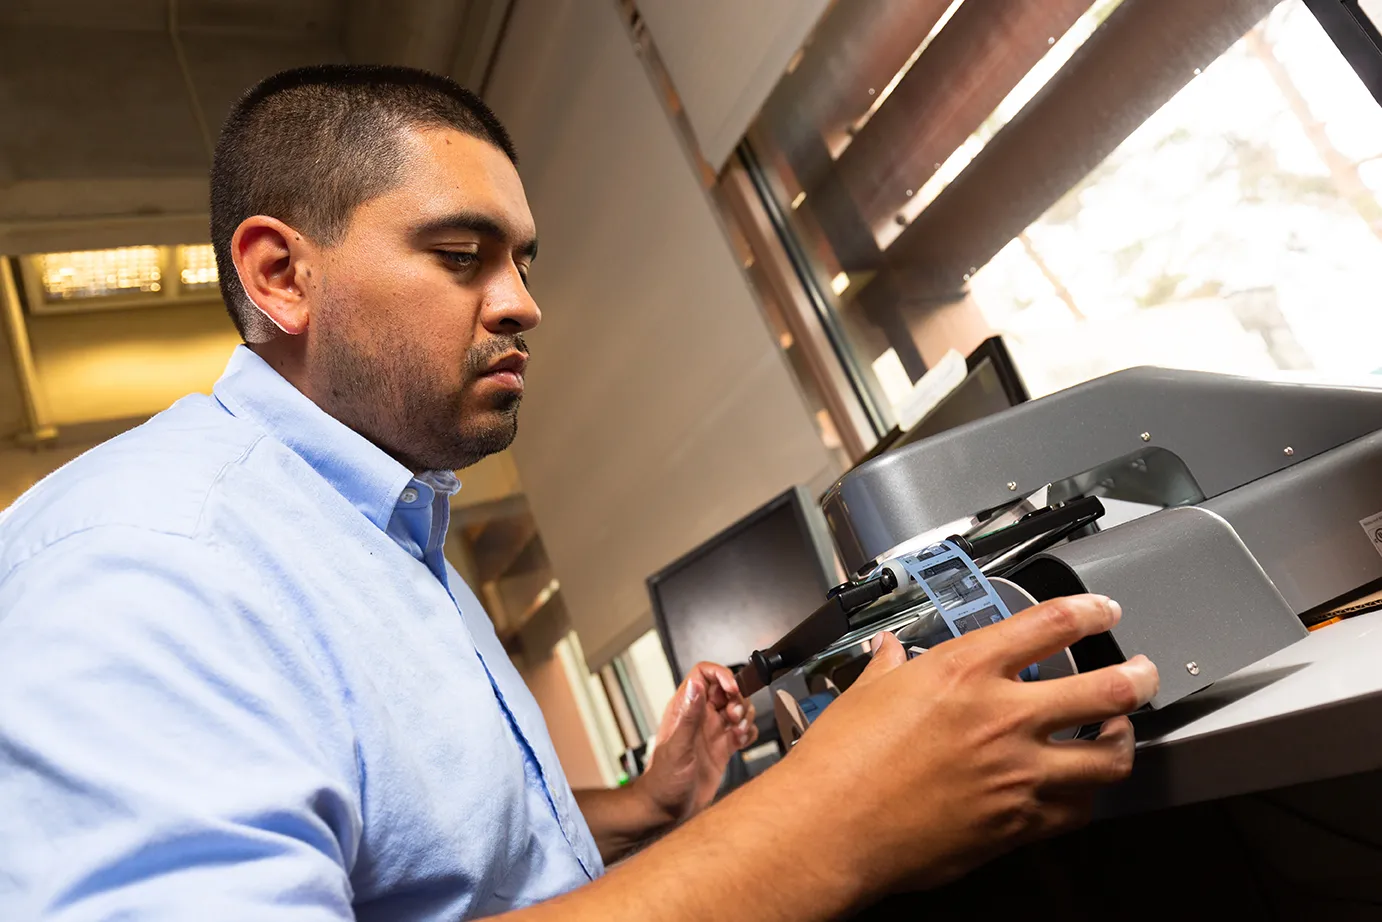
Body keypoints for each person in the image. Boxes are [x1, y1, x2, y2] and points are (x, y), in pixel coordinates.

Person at [0, 65, 1159, 920]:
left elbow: (438, 859)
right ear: (281, 275)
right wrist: (832, 815)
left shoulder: (390, 537)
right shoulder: (149, 557)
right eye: (462, 256)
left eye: (521, 263)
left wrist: (647, 808)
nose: (520, 304)